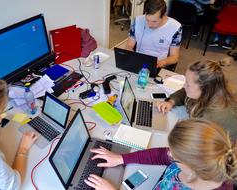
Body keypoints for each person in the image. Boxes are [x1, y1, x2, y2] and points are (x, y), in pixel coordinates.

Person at [84, 119, 237, 189]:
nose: (168, 153)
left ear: (193, 166)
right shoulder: (207, 161)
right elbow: (161, 155)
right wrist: (121, 158)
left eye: (173, 156)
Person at [157, 60, 237, 139]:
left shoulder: (212, 117)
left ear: (205, 89)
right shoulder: (210, 92)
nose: (184, 86)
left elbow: (199, 144)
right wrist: (171, 102)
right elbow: (184, 92)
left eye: (188, 84)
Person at [126, 0, 182, 69]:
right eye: (147, 20)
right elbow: (129, 46)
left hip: (159, 64)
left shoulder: (175, 27)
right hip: (139, 61)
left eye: (154, 21)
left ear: (163, 15)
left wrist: (161, 63)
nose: (149, 25)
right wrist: (133, 57)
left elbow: (175, 57)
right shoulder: (138, 21)